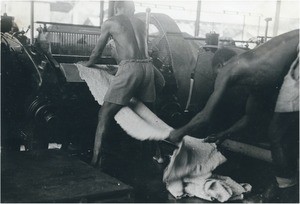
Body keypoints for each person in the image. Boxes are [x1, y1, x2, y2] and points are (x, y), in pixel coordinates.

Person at [168, 29, 299, 202]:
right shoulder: (260, 78)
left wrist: (178, 132)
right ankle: (285, 187)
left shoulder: (228, 68)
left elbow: (205, 116)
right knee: (281, 131)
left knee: (278, 133)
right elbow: (250, 118)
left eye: (217, 76)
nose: (220, 84)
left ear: (220, 66)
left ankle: (287, 195)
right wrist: (224, 134)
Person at [82, 1, 164, 167]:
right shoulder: (140, 22)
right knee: (151, 115)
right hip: (148, 68)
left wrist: (87, 64)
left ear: (116, 7)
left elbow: (97, 53)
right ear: (132, 8)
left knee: (104, 113)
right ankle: (159, 155)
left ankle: (95, 161)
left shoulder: (111, 22)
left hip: (131, 69)